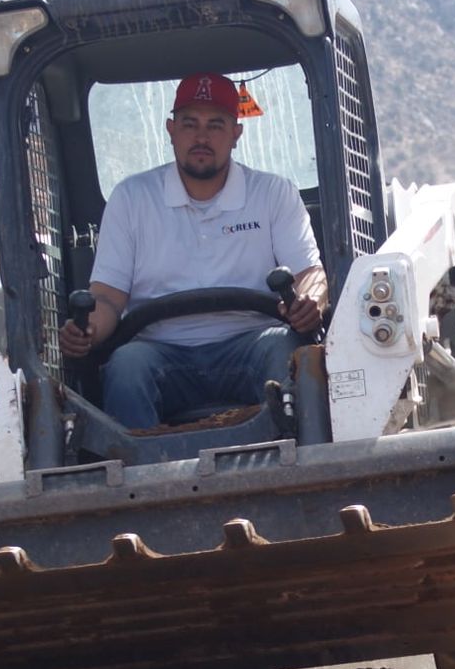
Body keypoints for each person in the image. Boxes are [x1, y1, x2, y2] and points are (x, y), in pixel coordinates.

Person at [59, 72, 328, 429]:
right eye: (190, 124)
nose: (201, 137)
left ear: (236, 133)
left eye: (215, 125)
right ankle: (139, 479)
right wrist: (87, 330)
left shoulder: (273, 194)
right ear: (171, 130)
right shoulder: (132, 199)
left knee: (287, 352)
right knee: (125, 367)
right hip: (161, 352)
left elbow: (310, 274)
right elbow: (107, 297)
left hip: (251, 343)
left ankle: (296, 464)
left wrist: (310, 301)